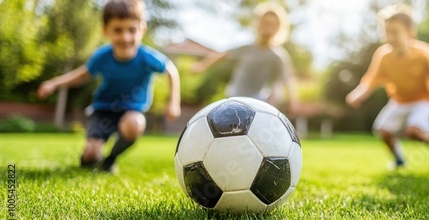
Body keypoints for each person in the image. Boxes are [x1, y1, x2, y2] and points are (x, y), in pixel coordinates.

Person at [37, 0, 181, 173]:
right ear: (106, 30)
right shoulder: (102, 56)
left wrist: (173, 102)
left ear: (142, 29)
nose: (125, 37)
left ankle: (110, 160)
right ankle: (93, 156)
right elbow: (83, 75)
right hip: (104, 110)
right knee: (89, 157)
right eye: (118, 30)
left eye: (132, 30)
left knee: (135, 124)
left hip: (131, 111)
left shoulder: (146, 57)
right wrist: (54, 83)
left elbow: (171, 70)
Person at [345, 4, 429, 169]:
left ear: (410, 32)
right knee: (384, 132)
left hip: (425, 100)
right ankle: (399, 160)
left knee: (413, 131)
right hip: (400, 100)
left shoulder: (424, 53)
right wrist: (357, 94)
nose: (390, 37)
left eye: (395, 32)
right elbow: (369, 81)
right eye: (386, 32)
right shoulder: (383, 55)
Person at [191, 2, 298, 112]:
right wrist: (202, 65)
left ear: (278, 28)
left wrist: (292, 100)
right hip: (234, 97)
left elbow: (287, 78)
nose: (268, 27)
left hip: (258, 102)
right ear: (258, 23)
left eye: (272, 24)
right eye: (265, 22)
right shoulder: (246, 49)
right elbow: (222, 55)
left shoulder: (278, 56)